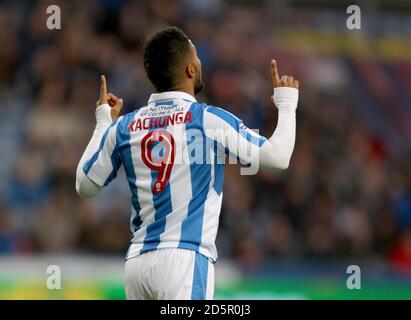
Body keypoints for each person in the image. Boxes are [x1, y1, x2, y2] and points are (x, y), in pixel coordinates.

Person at [75, 26, 299, 300]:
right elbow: (277, 158)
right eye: (197, 58)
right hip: (184, 260)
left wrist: (102, 122)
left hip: (137, 263)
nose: (200, 62)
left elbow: (85, 185)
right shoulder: (207, 119)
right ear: (190, 70)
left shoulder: (125, 126)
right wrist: (286, 105)